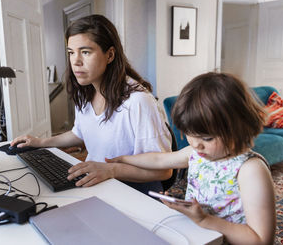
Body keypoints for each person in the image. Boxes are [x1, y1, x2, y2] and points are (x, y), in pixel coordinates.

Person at [10, 14, 173, 194]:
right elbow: (79, 133)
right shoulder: (86, 91)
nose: (76, 61)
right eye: (71, 52)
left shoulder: (139, 101)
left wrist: (111, 169)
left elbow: (164, 170)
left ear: (110, 55)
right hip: (98, 185)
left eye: (85, 52)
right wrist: (41, 142)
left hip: (134, 193)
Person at [107, 72, 276, 244]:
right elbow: (159, 160)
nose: (195, 144)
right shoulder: (197, 154)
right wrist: (125, 159)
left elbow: (261, 240)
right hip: (198, 237)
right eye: (189, 134)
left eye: (207, 138)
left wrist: (205, 220)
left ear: (238, 128)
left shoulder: (250, 170)